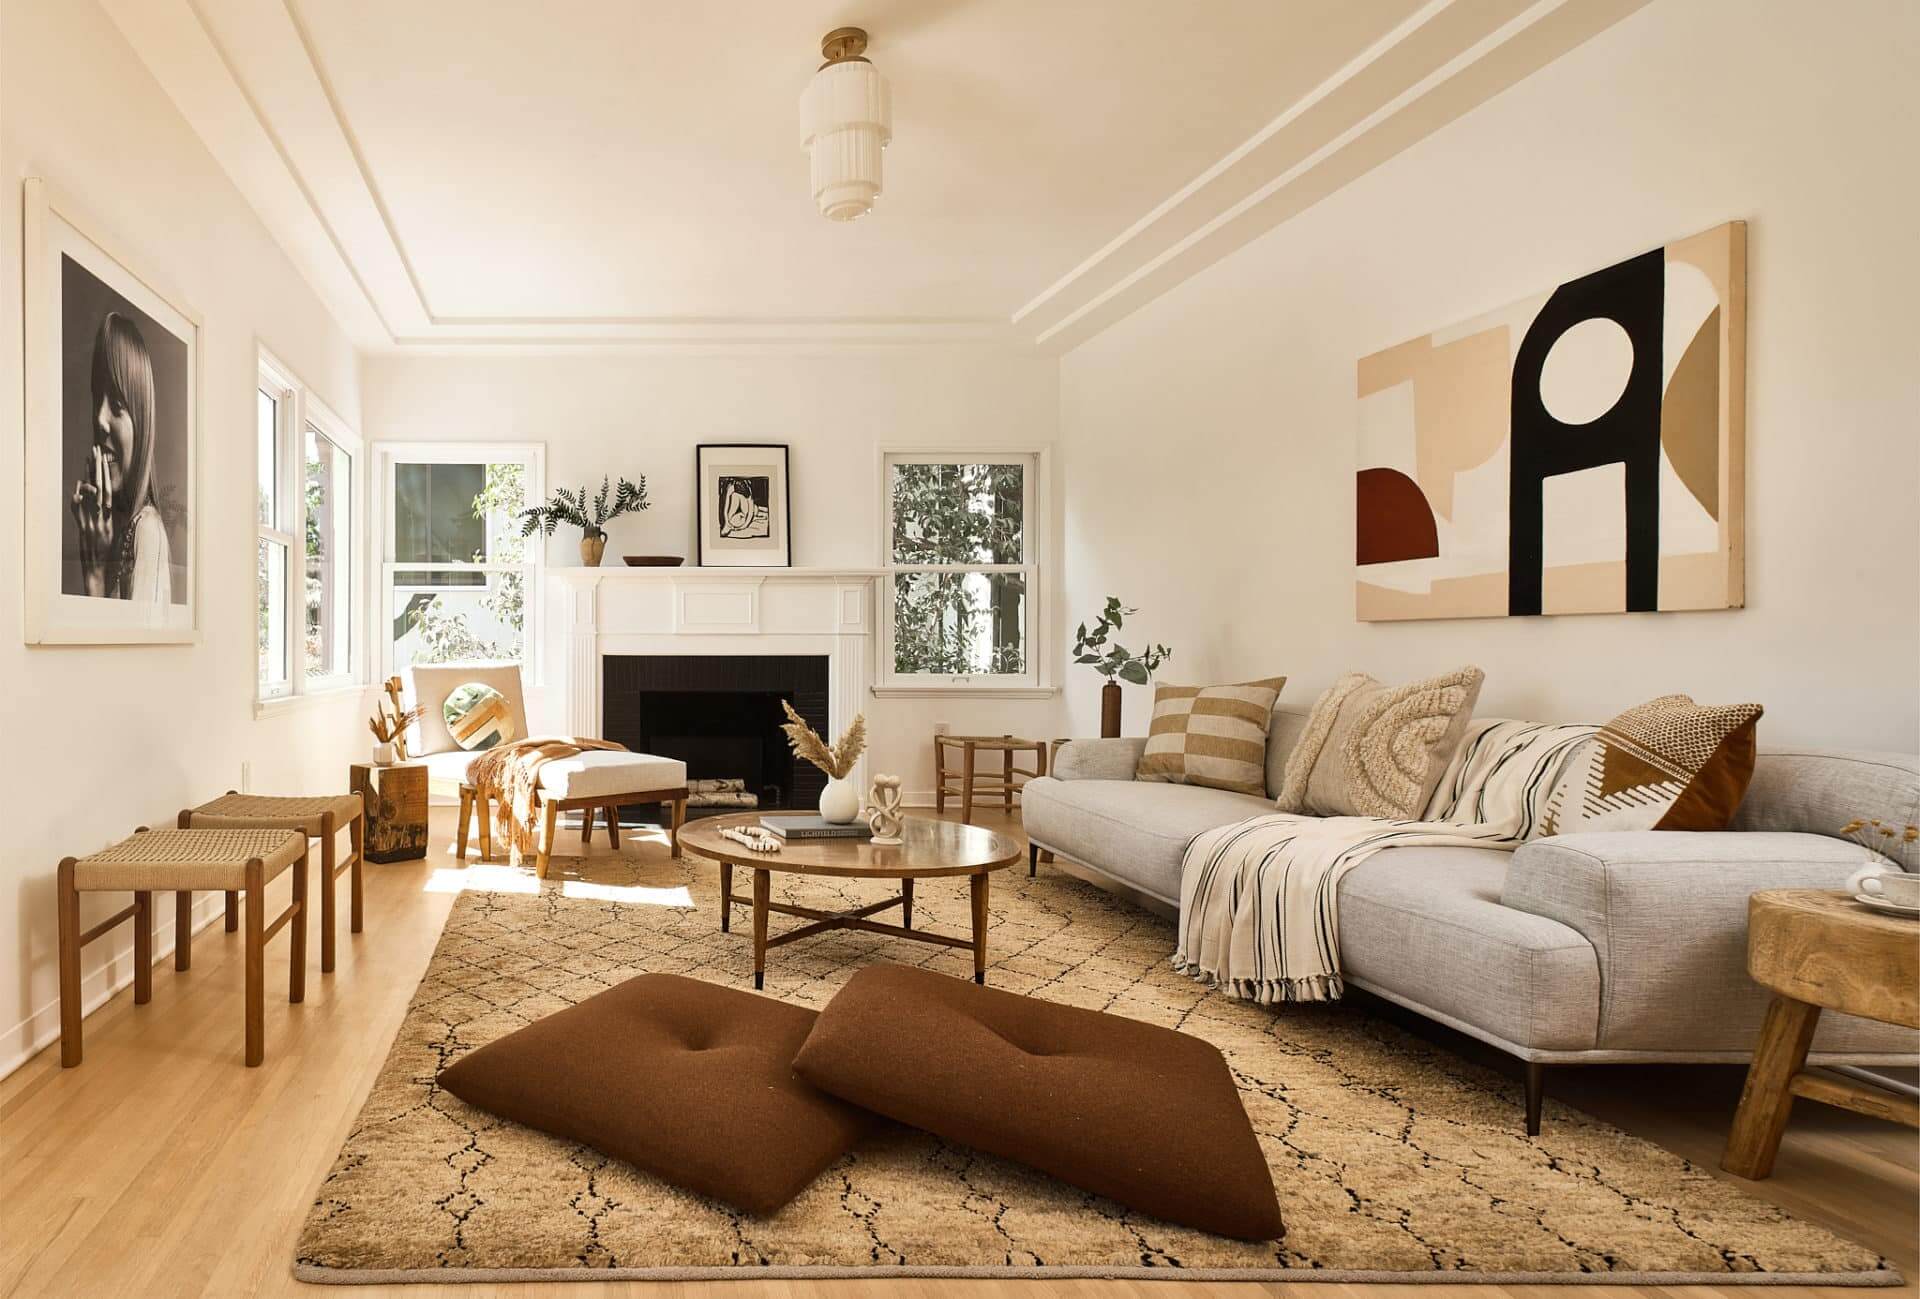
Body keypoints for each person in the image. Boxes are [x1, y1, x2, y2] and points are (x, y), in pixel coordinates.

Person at [69, 312, 171, 603]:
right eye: (96, 399)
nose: (99, 420)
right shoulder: (122, 531)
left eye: (116, 404)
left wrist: (95, 573)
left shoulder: (147, 531)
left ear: (141, 421)